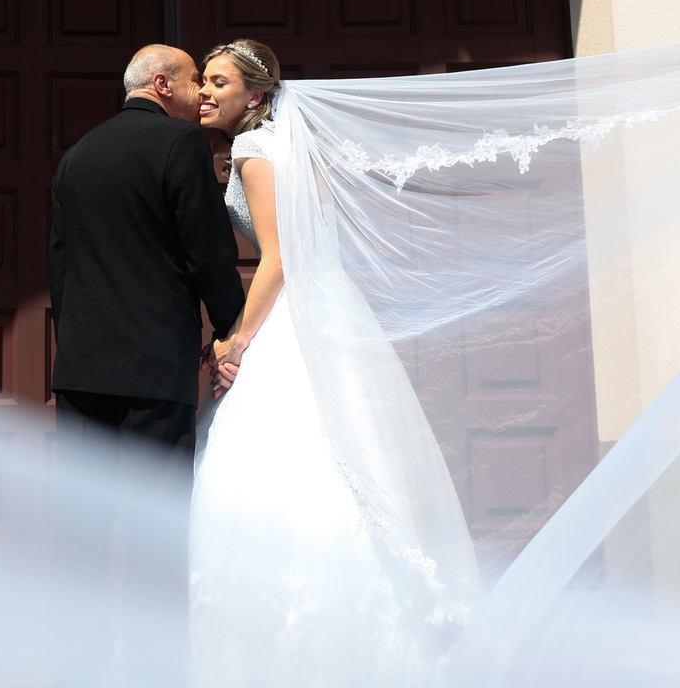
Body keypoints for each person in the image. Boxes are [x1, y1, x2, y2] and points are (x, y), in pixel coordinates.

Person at [188, 39, 481, 687]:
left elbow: (281, 258)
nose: (205, 93)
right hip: (331, 313)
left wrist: (235, 340)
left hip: (293, 318)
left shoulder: (255, 147)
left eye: (218, 82)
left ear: (256, 96)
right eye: (202, 82)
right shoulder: (297, 146)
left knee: (280, 466)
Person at [48, 44, 246, 687]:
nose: (200, 93)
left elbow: (60, 266)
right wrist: (232, 329)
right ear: (163, 85)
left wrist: (74, 346)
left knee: (78, 536)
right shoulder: (179, 147)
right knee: (157, 536)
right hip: (151, 372)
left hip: (81, 373)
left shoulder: (77, 155)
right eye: (193, 80)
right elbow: (207, 250)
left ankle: (77, 669)